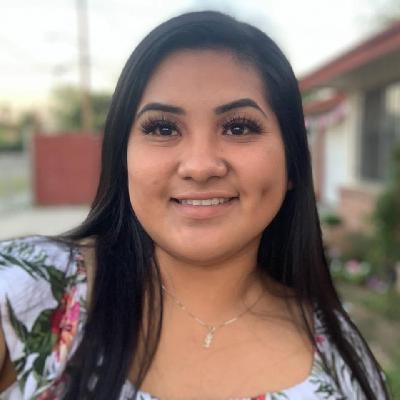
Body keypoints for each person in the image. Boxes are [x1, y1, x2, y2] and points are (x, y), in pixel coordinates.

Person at [0, 10, 391, 400]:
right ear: (123, 158)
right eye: (163, 128)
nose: (200, 166)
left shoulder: (342, 362)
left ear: (292, 163)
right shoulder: (29, 290)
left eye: (238, 127)